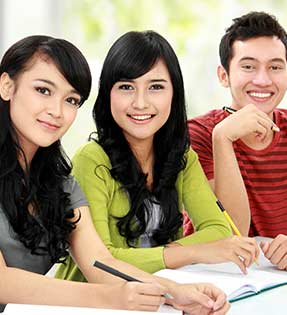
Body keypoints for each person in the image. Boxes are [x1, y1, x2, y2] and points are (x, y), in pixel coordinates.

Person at [0, 35, 230, 315]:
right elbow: (3, 281)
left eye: (71, 99)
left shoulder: (60, 182)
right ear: (6, 86)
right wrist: (112, 297)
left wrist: (173, 292)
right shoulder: (91, 160)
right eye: (43, 90)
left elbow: (100, 263)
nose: (57, 111)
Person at [55, 29, 259, 294]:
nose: (141, 103)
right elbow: (104, 262)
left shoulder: (182, 156)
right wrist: (193, 252)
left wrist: (166, 255)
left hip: (161, 296)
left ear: (174, 93)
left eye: (156, 87)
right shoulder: (91, 160)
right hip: (94, 301)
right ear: (108, 94)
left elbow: (219, 230)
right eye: (127, 87)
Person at [184, 11, 287, 271]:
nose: (263, 80)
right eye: (249, 66)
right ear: (224, 76)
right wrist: (222, 138)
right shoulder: (197, 133)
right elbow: (230, 233)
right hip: (212, 274)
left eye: (275, 67)